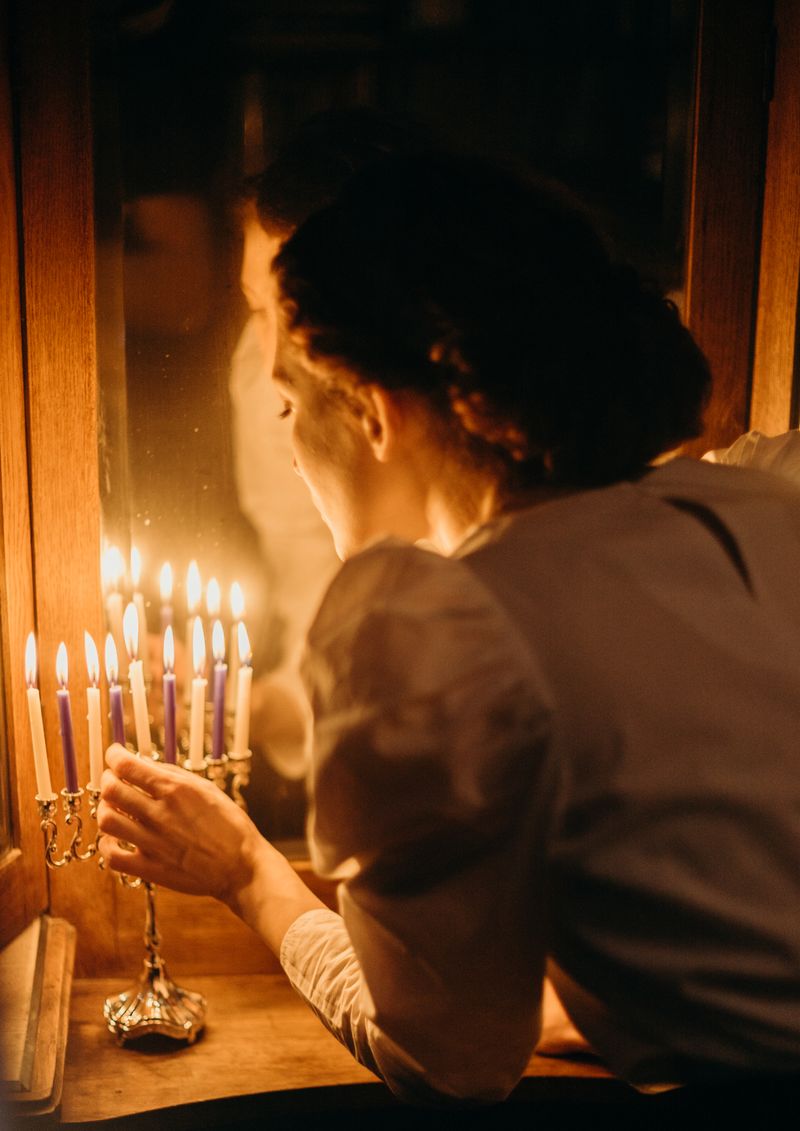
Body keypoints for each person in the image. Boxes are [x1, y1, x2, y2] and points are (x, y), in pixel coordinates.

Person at [98, 152, 800, 1106]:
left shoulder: (446, 625)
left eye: (287, 403)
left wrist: (247, 872)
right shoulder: (763, 509)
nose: (291, 443)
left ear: (376, 414)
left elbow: (448, 1062)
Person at [230, 110, 431, 785]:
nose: (272, 363)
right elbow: (319, 599)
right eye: (258, 309)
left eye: (295, 313)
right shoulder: (263, 389)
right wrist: (255, 711)